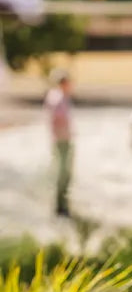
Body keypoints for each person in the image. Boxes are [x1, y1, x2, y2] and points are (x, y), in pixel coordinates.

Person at [44, 70, 73, 217]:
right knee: (62, 173)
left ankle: (62, 203)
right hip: (61, 139)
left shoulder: (58, 96)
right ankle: (60, 205)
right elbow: (58, 117)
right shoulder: (57, 97)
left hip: (63, 138)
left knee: (65, 172)